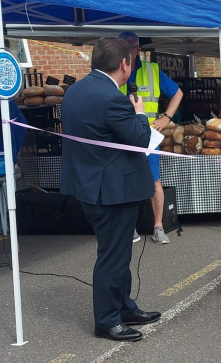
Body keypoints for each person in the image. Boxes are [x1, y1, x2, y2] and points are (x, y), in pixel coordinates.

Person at [61, 37, 160, 342]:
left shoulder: (75, 91)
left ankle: (124, 306)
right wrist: (141, 114)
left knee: (118, 251)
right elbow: (140, 139)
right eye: (131, 61)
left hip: (90, 185)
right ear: (124, 64)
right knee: (112, 256)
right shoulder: (112, 98)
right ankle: (106, 320)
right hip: (112, 189)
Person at [118, 32, 184, 245]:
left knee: (154, 182)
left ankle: (158, 227)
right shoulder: (112, 70)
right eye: (123, 47)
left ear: (138, 50)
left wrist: (166, 118)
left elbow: (178, 93)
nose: (127, 51)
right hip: (122, 135)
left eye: (131, 47)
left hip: (147, 136)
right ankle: (130, 228)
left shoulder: (151, 70)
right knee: (123, 180)